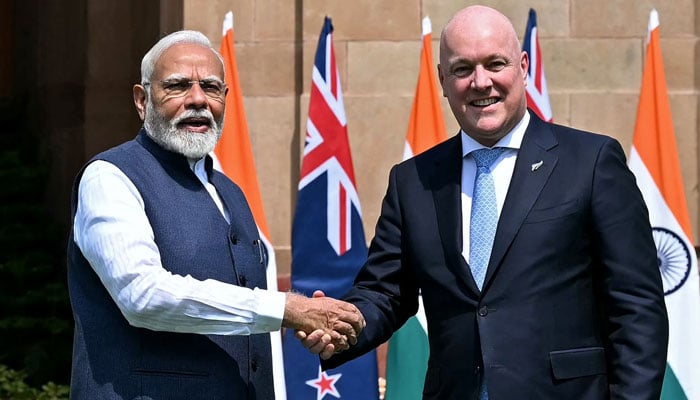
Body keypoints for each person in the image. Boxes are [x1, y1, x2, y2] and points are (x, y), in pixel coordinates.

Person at [299, 5, 669, 400]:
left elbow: (636, 308)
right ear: (442, 79)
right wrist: (342, 325)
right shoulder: (413, 181)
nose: (480, 82)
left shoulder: (592, 163)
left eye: (496, 63)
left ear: (523, 66)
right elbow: (385, 292)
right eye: (462, 69)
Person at [67, 30, 363, 399]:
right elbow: (142, 296)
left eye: (210, 87)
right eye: (177, 86)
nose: (197, 100)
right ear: (142, 100)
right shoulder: (110, 177)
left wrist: (307, 322)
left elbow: (249, 322)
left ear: (225, 97)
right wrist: (287, 308)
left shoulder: (231, 192)